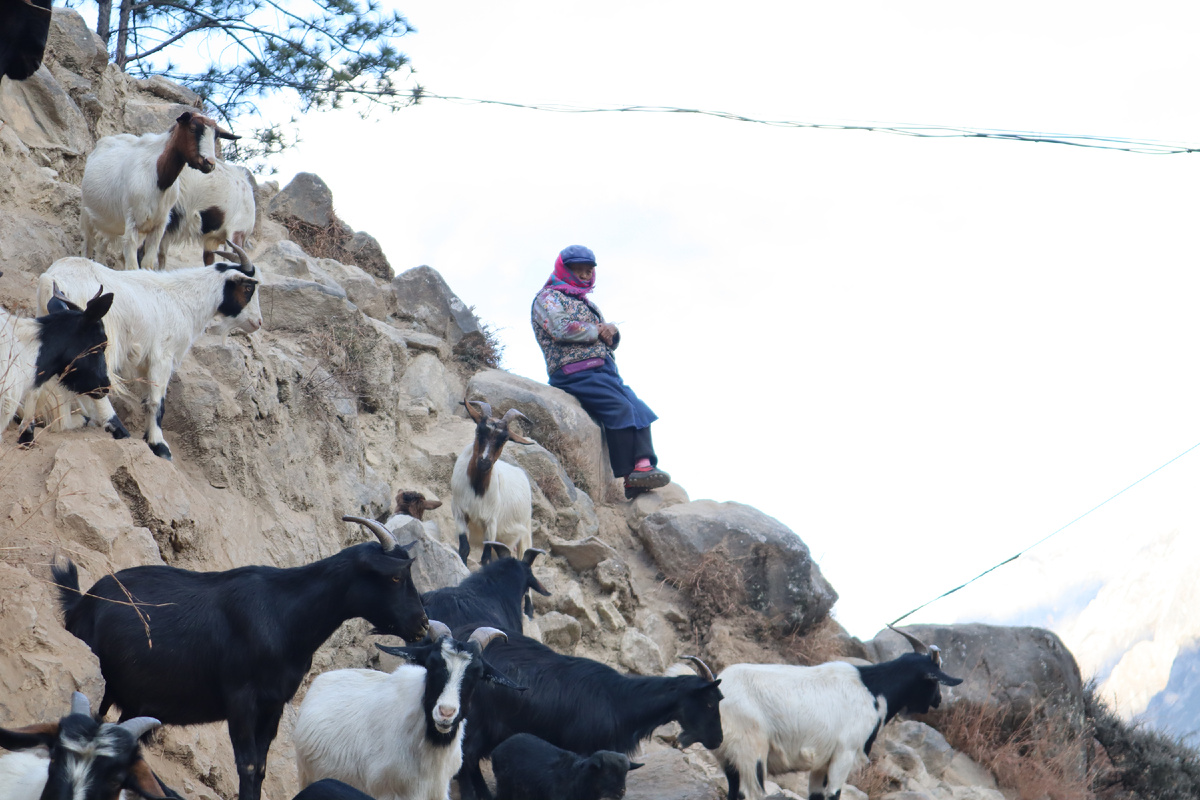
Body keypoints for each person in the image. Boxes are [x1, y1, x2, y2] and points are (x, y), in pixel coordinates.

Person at [531, 244, 670, 499]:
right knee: (620, 407)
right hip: (573, 371)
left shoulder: (588, 304)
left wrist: (613, 332)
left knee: (637, 406)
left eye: (588, 271)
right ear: (564, 269)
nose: (584, 275)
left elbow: (606, 339)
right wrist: (598, 330)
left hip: (603, 371)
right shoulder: (547, 298)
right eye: (579, 270)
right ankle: (630, 476)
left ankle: (643, 465)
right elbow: (561, 328)